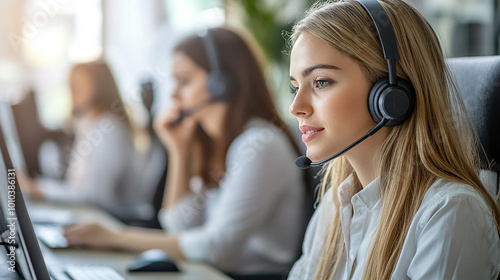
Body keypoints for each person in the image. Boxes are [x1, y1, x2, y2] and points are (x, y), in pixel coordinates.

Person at [63, 27, 307, 276]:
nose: (174, 94)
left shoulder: (260, 144)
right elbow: (178, 227)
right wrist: (178, 151)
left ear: (221, 84)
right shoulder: (216, 143)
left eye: (185, 81)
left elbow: (216, 246)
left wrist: (117, 237)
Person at [287, 0, 500, 279]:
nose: (296, 107)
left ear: (390, 96)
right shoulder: (335, 206)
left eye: (321, 82)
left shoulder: (450, 213)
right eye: (295, 87)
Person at [20, 61, 149, 220]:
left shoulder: (107, 128)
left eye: (80, 84)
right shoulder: (88, 123)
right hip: (97, 217)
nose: (73, 89)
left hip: (117, 221)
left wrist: (41, 190)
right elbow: (77, 188)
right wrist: (39, 188)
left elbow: (96, 197)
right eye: (72, 84)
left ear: (99, 87)